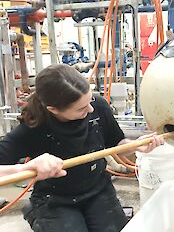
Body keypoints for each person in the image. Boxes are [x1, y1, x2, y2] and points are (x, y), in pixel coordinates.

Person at [0, 64, 163, 232]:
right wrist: (27, 167)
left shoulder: (98, 106)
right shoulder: (33, 126)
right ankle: (35, 211)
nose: (91, 109)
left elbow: (117, 144)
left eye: (90, 100)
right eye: (81, 109)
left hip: (98, 190)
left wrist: (137, 146)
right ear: (53, 109)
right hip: (55, 198)